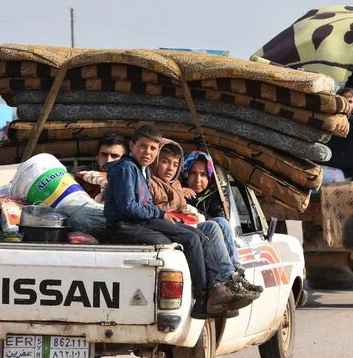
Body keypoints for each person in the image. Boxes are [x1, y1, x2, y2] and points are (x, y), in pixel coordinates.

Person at [103, 125, 253, 317]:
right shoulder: (126, 169)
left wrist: (159, 213)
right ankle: (203, 299)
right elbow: (128, 207)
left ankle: (216, 291)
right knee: (191, 239)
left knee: (199, 235)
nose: (147, 152)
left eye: (152, 148)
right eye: (143, 146)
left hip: (140, 221)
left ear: (156, 151)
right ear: (132, 145)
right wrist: (159, 213)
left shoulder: (144, 171)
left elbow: (144, 204)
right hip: (124, 225)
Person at [150, 141, 262, 296]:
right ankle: (229, 277)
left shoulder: (215, 194)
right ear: (185, 173)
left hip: (190, 227)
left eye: (203, 175)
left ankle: (236, 273)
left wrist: (195, 215)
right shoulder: (167, 186)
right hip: (175, 229)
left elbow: (217, 216)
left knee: (221, 222)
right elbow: (159, 207)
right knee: (214, 226)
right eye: (193, 173)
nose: (197, 179)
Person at [76, 134, 129, 201]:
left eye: (115, 156)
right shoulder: (82, 176)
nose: (108, 161)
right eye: (104, 155)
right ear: (97, 158)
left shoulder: (132, 179)